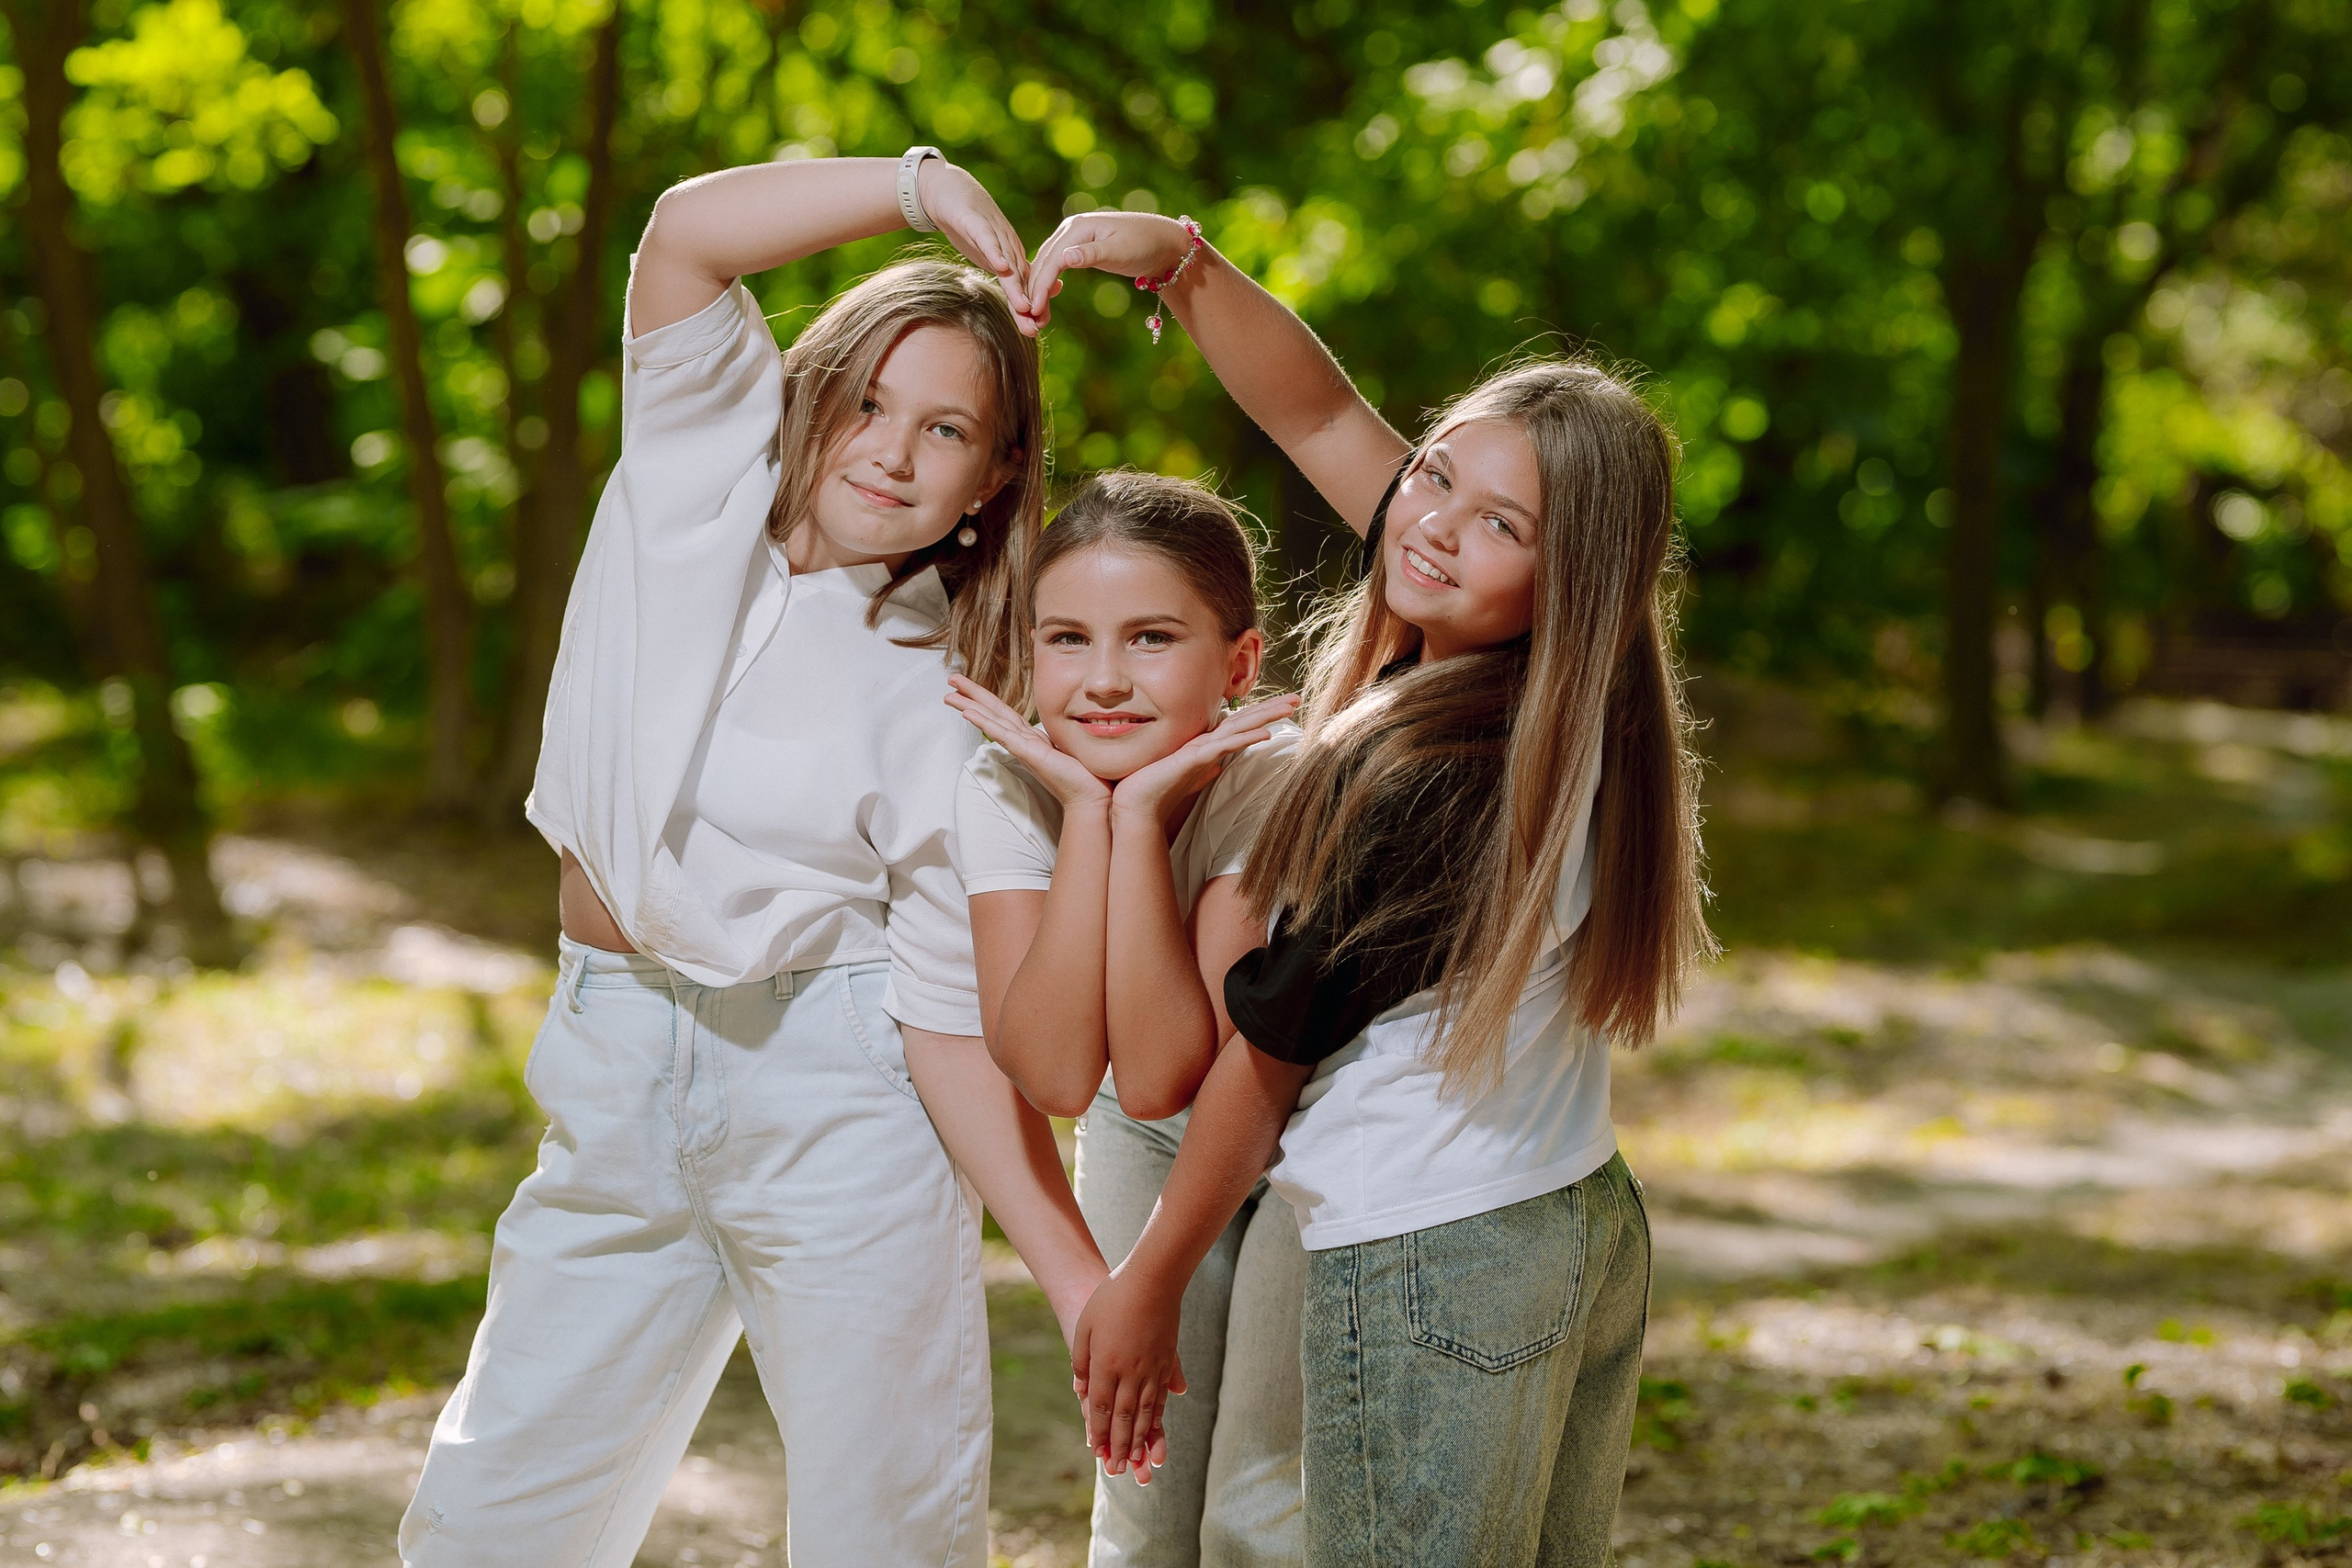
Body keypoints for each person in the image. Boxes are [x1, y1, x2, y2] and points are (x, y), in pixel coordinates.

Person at [399, 152, 1108, 1568]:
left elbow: (943, 1015)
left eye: (947, 429)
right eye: (869, 400)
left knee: (884, 1525)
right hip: (614, 1047)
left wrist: (1075, 1271)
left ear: (996, 476)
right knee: (493, 1517)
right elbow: (682, 232)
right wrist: (923, 188)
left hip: (837, 1086)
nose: (891, 451)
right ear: (812, 386)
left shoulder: (949, 689)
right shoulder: (695, 455)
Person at [1016, 211, 1716, 1566]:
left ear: (1567, 569)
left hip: (1426, 1248)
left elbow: (1265, 1057)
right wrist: (1183, 265)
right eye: (1437, 474)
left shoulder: (1441, 767)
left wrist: (1147, 1275)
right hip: (1567, 1205)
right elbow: (1319, 407)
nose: (1434, 521)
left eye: (1498, 520)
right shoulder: (1564, 702)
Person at [944, 469, 1306, 1568]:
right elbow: (1060, 1076)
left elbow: (1167, 1070)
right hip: (1146, 1134)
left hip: (1303, 1141)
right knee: (1140, 1496)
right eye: (1066, 640)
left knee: (1262, 1502)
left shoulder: (1277, 778)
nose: (1101, 682)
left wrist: (1137, 821)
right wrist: (1097, 818)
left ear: (1238, 665)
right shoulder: (1003, 786)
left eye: (1151, 639)